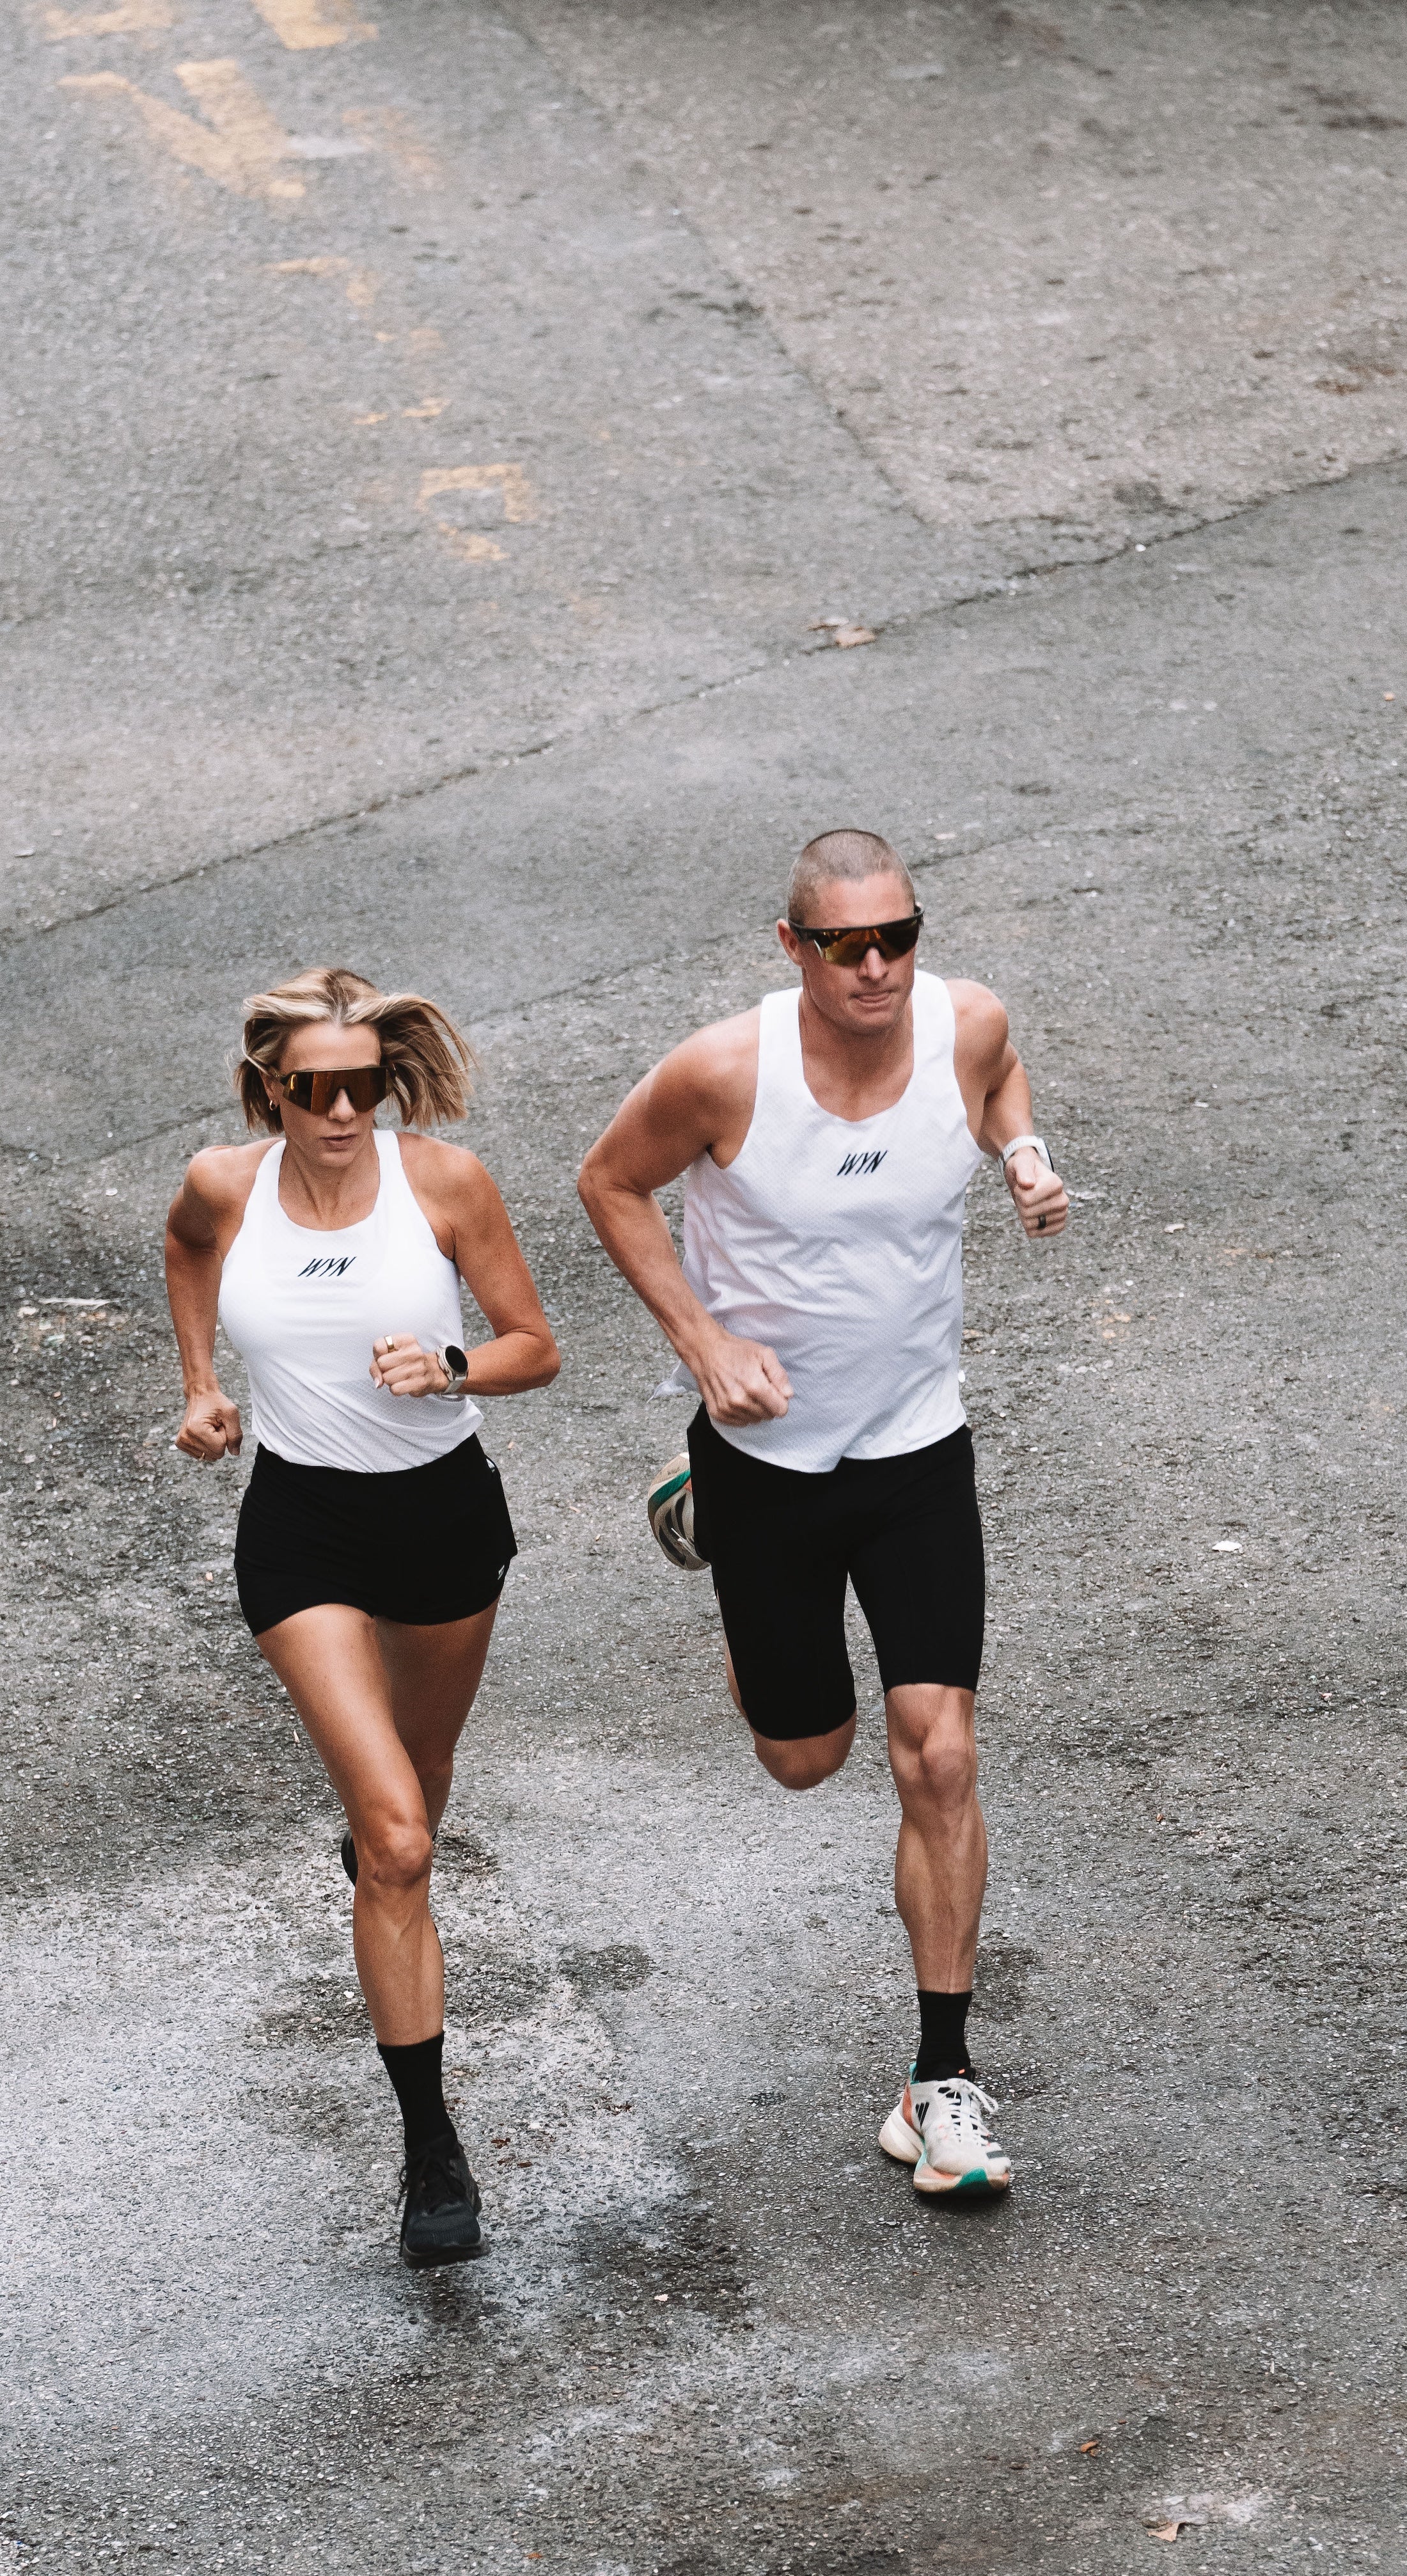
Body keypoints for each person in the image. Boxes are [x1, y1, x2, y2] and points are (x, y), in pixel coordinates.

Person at [578, 830, 1066, 2199]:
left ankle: (940, 2080)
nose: (877, 967)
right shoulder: (725, 1073)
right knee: (806, 1758)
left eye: (898, 937)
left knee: (939, 1756)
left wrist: (1023, 1153)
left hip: (916, 1447)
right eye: (847, 945)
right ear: (792, 947)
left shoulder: (967, 1022)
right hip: (765, 1458)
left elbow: (998, 1077)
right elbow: (608, 1183)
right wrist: (704, 1344)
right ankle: (713, 1531)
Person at [164, 967, 558, 2264]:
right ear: (267, 1089)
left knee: (421, 1786)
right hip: (303, 1529)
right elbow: (186, 1251)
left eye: (364, 1086)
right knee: (394, 1839)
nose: (341, 1113)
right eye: (312, 1089)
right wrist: (202, 1385)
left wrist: (453, 1366)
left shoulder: (441, 1185)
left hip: (443, 1521)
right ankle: (431, 2148)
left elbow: (535, 1345)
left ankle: (392, 1843)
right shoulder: (226, 1186)